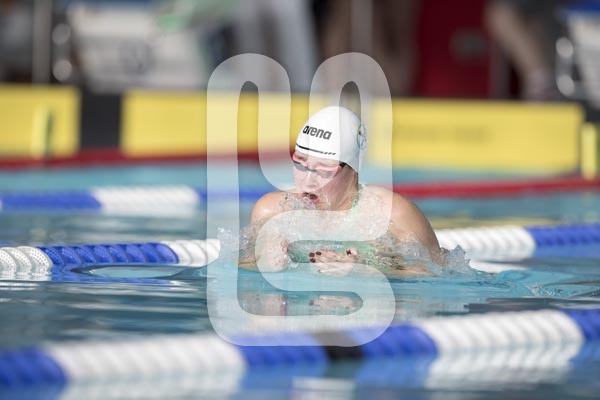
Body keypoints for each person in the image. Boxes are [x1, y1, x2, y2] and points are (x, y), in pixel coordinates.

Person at [242, 106, 441, 277]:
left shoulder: (393, 214)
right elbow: (241, 267)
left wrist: (371, 269)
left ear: (353, 170)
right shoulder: (271, 212)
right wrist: (262, 264)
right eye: (300, 164)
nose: (308, 182)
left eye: (324, 171)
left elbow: (436, 275)